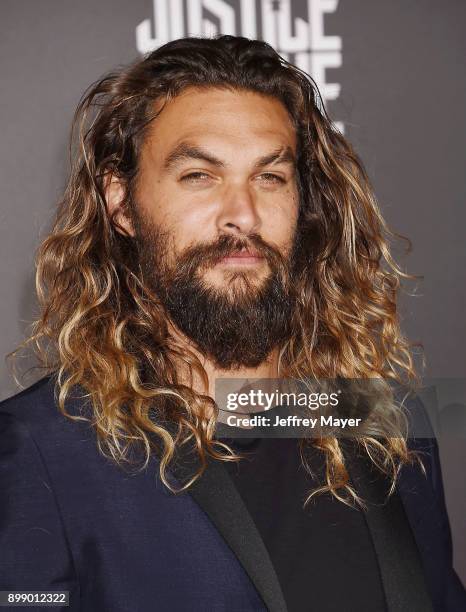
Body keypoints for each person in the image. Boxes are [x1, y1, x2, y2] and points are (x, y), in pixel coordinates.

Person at [0, 35, 464, 612]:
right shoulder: (43, 448)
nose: (242, 214)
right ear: (121, 205)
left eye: (270, 177)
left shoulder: (382, 422)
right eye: (200, 175)